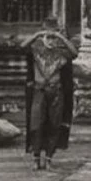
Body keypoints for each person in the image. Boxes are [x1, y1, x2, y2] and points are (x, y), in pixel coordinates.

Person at [22, 15, 78, 170]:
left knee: (54, 124)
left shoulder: (61, 50)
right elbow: (21, 47)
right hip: (39, 90)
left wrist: (61, 37)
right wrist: (37, 35)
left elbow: (74, 53)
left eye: (53, 35)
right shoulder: (36, 47)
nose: (51, 39)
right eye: (48, 35)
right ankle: (36, 158)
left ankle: (48, 159)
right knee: (36, 124)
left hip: (56, 91)